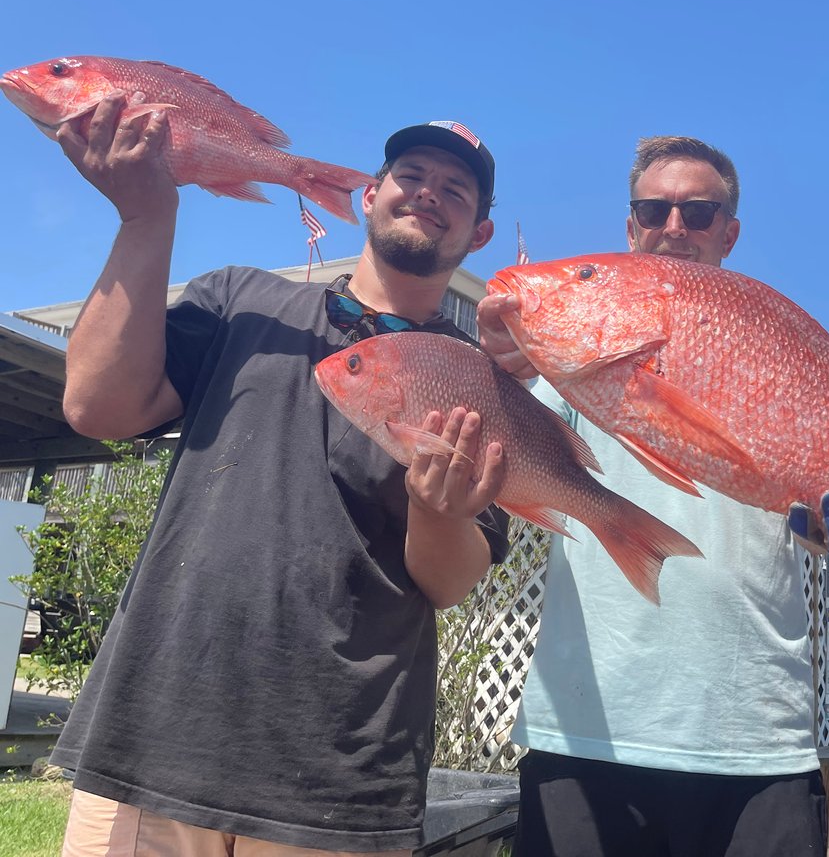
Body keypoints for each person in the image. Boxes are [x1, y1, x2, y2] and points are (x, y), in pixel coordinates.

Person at [49, 100, 512, 855]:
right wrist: (143, 220)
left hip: (339, 772)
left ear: (478, 233)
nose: (428, 191)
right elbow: (98, 406)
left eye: (456, 189)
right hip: (154, 735)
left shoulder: (478, 383)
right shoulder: (242, 301)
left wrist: (440, 511)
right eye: (411, 174)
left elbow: (450, 583)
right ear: (370, 194)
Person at [478, 136, 829, 857]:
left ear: (728, 233)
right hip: (586, 734)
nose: (673, 227)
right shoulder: (564, 369)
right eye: (653, 209)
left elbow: (818, 520)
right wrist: (500, 372)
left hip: (754, 738)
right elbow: (504, 449)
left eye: (698, 213)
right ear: (630, 225)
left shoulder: (767, 337)